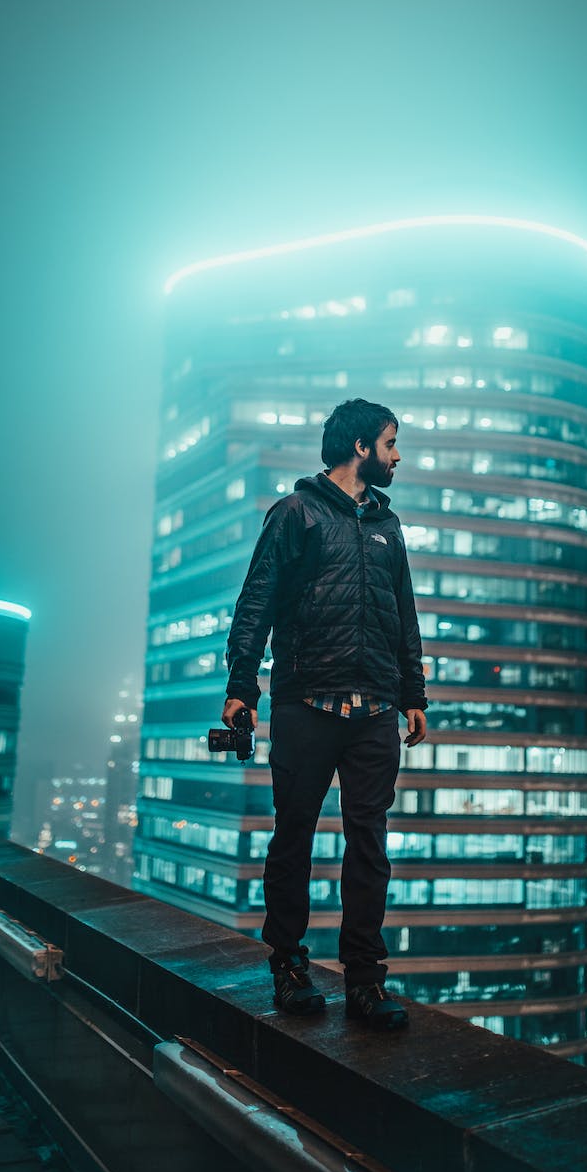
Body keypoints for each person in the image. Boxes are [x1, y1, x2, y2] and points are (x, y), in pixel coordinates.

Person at [222, 398, 428, 1030]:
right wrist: (242, 688)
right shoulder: (296, 513)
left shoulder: (388, 528)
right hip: (306, 703)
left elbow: (404, 616)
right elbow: (256, 601)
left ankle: (365, 980)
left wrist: (414, 695)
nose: (398, 456)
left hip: (374, 713)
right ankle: (289, 966)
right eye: (391, 443)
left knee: (370, 845)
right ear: (361, 446)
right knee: (295, 838)